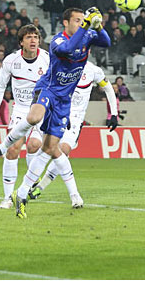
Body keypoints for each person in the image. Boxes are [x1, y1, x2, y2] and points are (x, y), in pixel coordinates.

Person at [0, 7, 112, 218]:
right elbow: (68, 48)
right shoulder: (58, 41)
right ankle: (1, 148)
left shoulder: (87, 37)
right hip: (47, 90)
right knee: (33, 118)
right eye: (77, 20)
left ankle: (22, 193)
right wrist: (87, 26)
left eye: (83, 20)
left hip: (64, 100)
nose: (81, 23)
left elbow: (106, 42)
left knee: (49, 148)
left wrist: (99, 26)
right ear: (66, 23)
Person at [29, 61, 119, 199]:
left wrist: (114, 113)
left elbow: (108, 88)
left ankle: (40, 187)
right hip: (58, 112)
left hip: (76, 119)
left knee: (64, 150)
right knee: (42, 147)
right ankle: (30, 182)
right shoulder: (61, 66)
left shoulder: (93, 70)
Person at [0, 24, 51, 209]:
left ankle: (27, 188)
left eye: (36, 37)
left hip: (40, 108)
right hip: (21, 110)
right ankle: (7, 198)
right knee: (13, 148)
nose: (33, 41)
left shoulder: (47, 58)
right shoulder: (11, 61)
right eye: (29, 37)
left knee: (34, 145)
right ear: (21, 42)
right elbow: (0, 87)